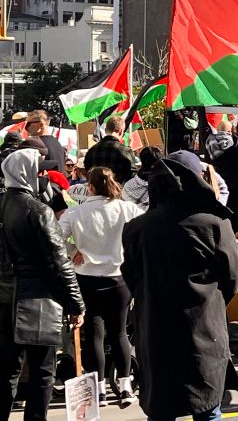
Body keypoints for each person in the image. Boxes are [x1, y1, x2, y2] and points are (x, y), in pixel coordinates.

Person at [121, 149, 238, 421]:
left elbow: (131, 275)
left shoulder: (136, 228)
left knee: (162, 408)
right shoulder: (214, 223)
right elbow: (233, 277)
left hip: (155, 328)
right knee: (207, 407)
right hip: (203, 328)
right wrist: (209, 300)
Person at [0, 145, 85, 421]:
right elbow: (58, 263)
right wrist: (76, 304)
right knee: (42, 372)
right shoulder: (38, 211)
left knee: (8, 370)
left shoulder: (4, 204)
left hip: (6, 299)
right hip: (37, 301)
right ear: (26, 173)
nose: (43, 176)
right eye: (39, 171)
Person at [59, 166, 144, 406]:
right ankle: (126, 386)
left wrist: (73, 251)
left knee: (94, 333)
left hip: (86, 276)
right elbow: (142, 228)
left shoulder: (76, 213)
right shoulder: (127, 208)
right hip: (118, 276)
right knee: (119, 333)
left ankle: (99, 389)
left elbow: (58, 237)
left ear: (91, 186)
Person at [207, 110, 238, 217]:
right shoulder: (236, 142)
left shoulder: (209, 141)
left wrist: (200, 106)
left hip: (217, 190)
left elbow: (203, 126)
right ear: (230, 131)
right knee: (234, 218)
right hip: (236, 192)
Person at [85, 116, 138, 183]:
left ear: (105, 130)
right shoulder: (125, 151)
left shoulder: (91, 151)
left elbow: (87, 173)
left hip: (95, 192)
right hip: (119, 191)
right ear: (121, 131)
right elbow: (132, 176)